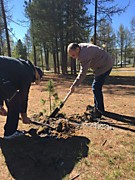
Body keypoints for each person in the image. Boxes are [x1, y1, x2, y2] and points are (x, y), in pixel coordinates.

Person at [67, 42, 114, 119]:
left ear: (77, 49)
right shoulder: (81, 48)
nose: (73, 57)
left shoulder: (84, 55)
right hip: (102, 65)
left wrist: (74, 85)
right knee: (95, 87)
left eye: (73, 55)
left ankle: (99, 110)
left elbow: (83, 73)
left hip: (105, 66)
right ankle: (97, 107)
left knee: (96, 87)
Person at [0, 56, 43, 139]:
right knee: (16, 100)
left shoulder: (21, 66)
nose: (32, 82)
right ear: (36, 74)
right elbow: (23, 95)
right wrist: (24, 115)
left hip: (2, 80)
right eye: (33, 80)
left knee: (12, 96)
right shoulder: (28, 72)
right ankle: (10, 133)